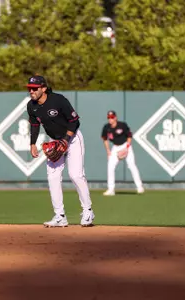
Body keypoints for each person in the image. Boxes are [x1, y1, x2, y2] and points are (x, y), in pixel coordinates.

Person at [26, 75, 95, 227]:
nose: (31, 91)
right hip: (55, 141)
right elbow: (35, 125)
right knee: (53, 176)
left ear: (43, 88)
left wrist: (66, 139)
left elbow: (75, 121)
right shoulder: (32, 106)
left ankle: (88, 211)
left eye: (34, 88)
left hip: (73, 138)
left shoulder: (58, 100)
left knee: (76, 175)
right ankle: (59, 216)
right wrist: (32, 144)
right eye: (29, 88)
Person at [101, 110, 144, 196]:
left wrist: (126, 148)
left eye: (112, 117)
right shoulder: (106, 127)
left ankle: (140, 187)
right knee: (110, 167)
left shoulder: (122, 125)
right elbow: (105, 139)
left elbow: (129, 136)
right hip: (115, 148)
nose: (110, 119)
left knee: (131, 166)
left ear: (115, 118)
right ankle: (111, 189)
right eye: (109, 117)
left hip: (125, 146)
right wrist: (108, 151)